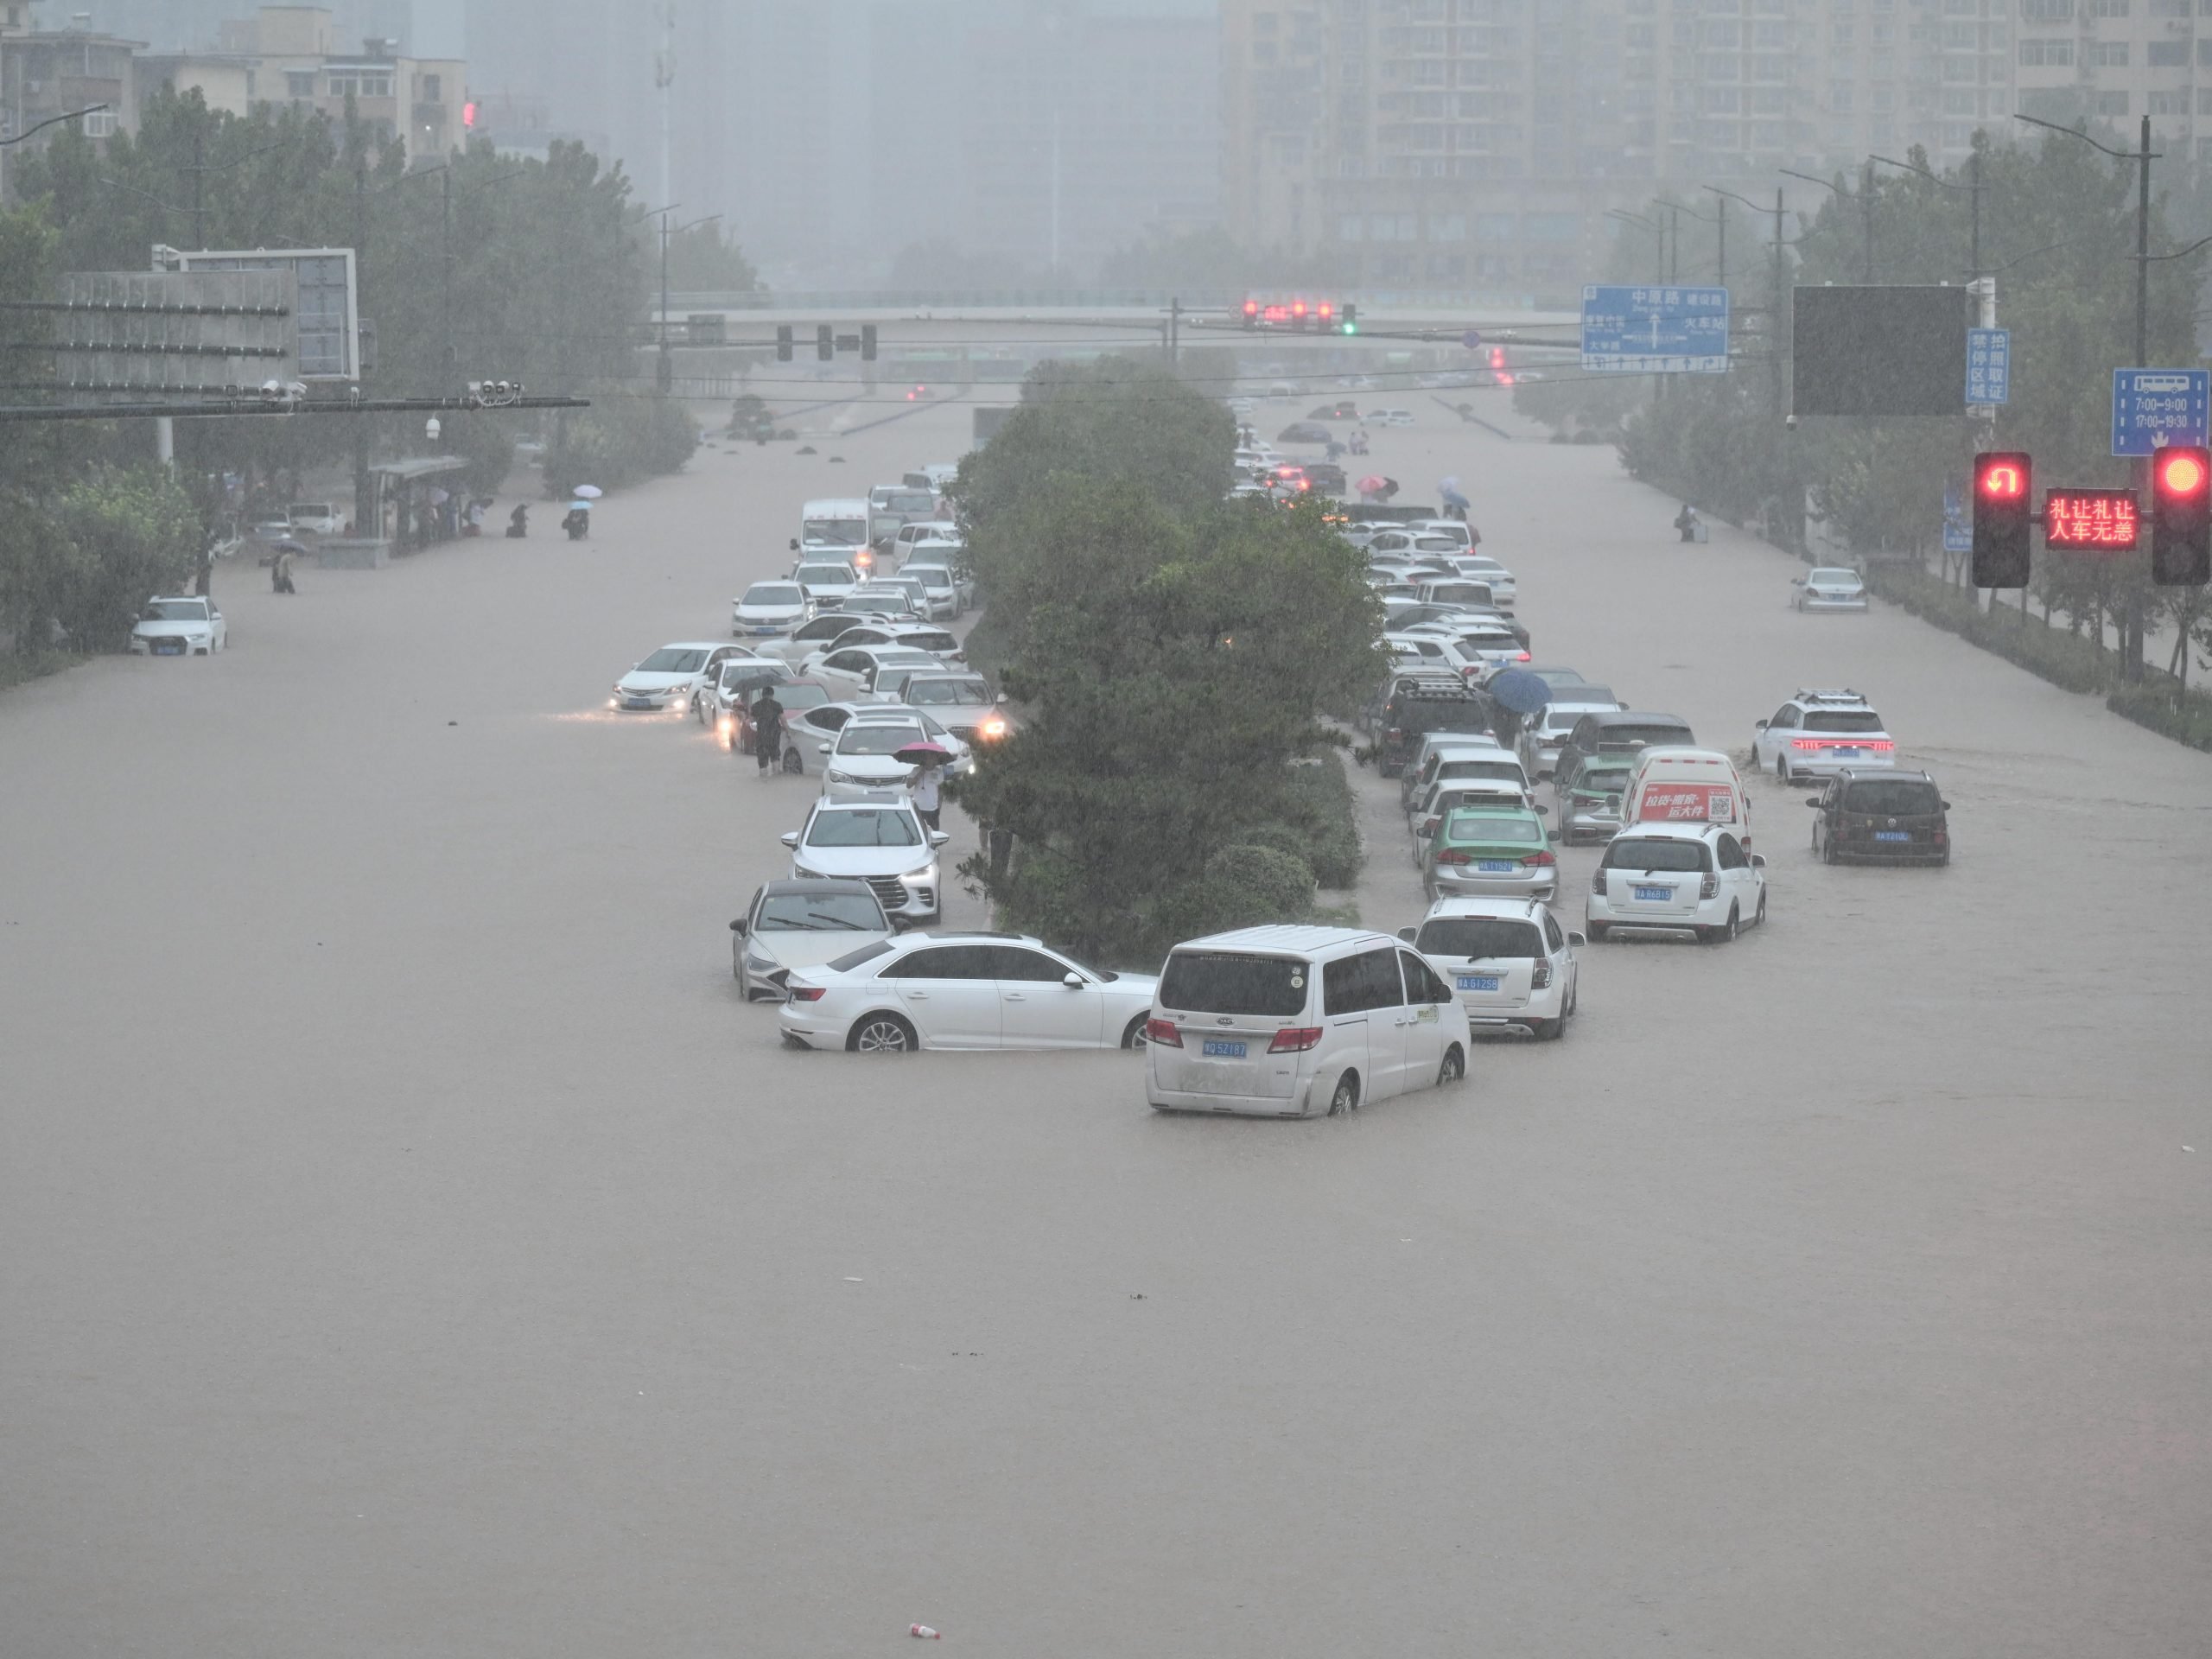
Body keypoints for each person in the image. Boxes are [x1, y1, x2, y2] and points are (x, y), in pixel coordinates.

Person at [751, 686, 785, 775]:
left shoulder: (756, 706)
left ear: (762, 695)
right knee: (775, 757)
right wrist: (788, 731)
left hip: (761, 737)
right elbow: (783, 720)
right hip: (774, 736)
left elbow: (751, 720)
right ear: (772, 695)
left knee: (762, 763)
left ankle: (764, 781)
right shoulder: (777, 705)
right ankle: (776, 777)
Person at [907, 755, 944, 832]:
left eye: (933, 758)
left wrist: (939, 806)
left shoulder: (939, 772)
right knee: (919, 832)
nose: (930, 760)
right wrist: (919, 774)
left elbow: (941, 791)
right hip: (918, 808)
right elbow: (908, 785)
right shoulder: (916, 770)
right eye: (928, 758)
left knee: (934, 833)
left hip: (933, 808)